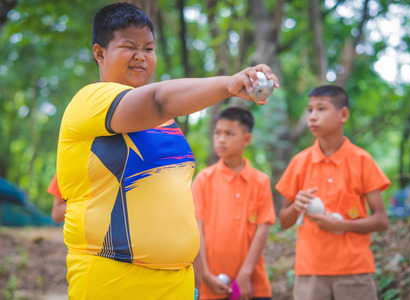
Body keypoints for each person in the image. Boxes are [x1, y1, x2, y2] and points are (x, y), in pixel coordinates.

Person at [56, 3, 279, 300]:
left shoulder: (165, 123)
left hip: (179, 283)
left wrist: (196, 271)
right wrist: (229, 84)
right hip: (114, 280)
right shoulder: (89, 100)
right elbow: (158, 99)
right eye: (129, 46)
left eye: (149, 48)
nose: (141, 56)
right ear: (99, 53)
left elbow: (178, 199)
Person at [276, 85, 390, 300]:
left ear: (343, 115)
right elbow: (284, 221)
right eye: (309, 110)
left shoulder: (362, 160)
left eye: (321, 109)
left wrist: (342, 226)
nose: (312, 116)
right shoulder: (299, 162)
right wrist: (296, 206)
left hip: (354, 271)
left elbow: (381, 220)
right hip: (310, 273)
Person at [192, 107, 276, 300]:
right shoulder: (204, 179)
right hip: (210, 284)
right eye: (217, 133)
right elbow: (197, 228)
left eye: (229, 134)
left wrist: (245, 274)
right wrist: (205, 273)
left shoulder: (260, 181)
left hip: (251, 284)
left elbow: (262, 229)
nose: (221, 139)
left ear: (246, 139)